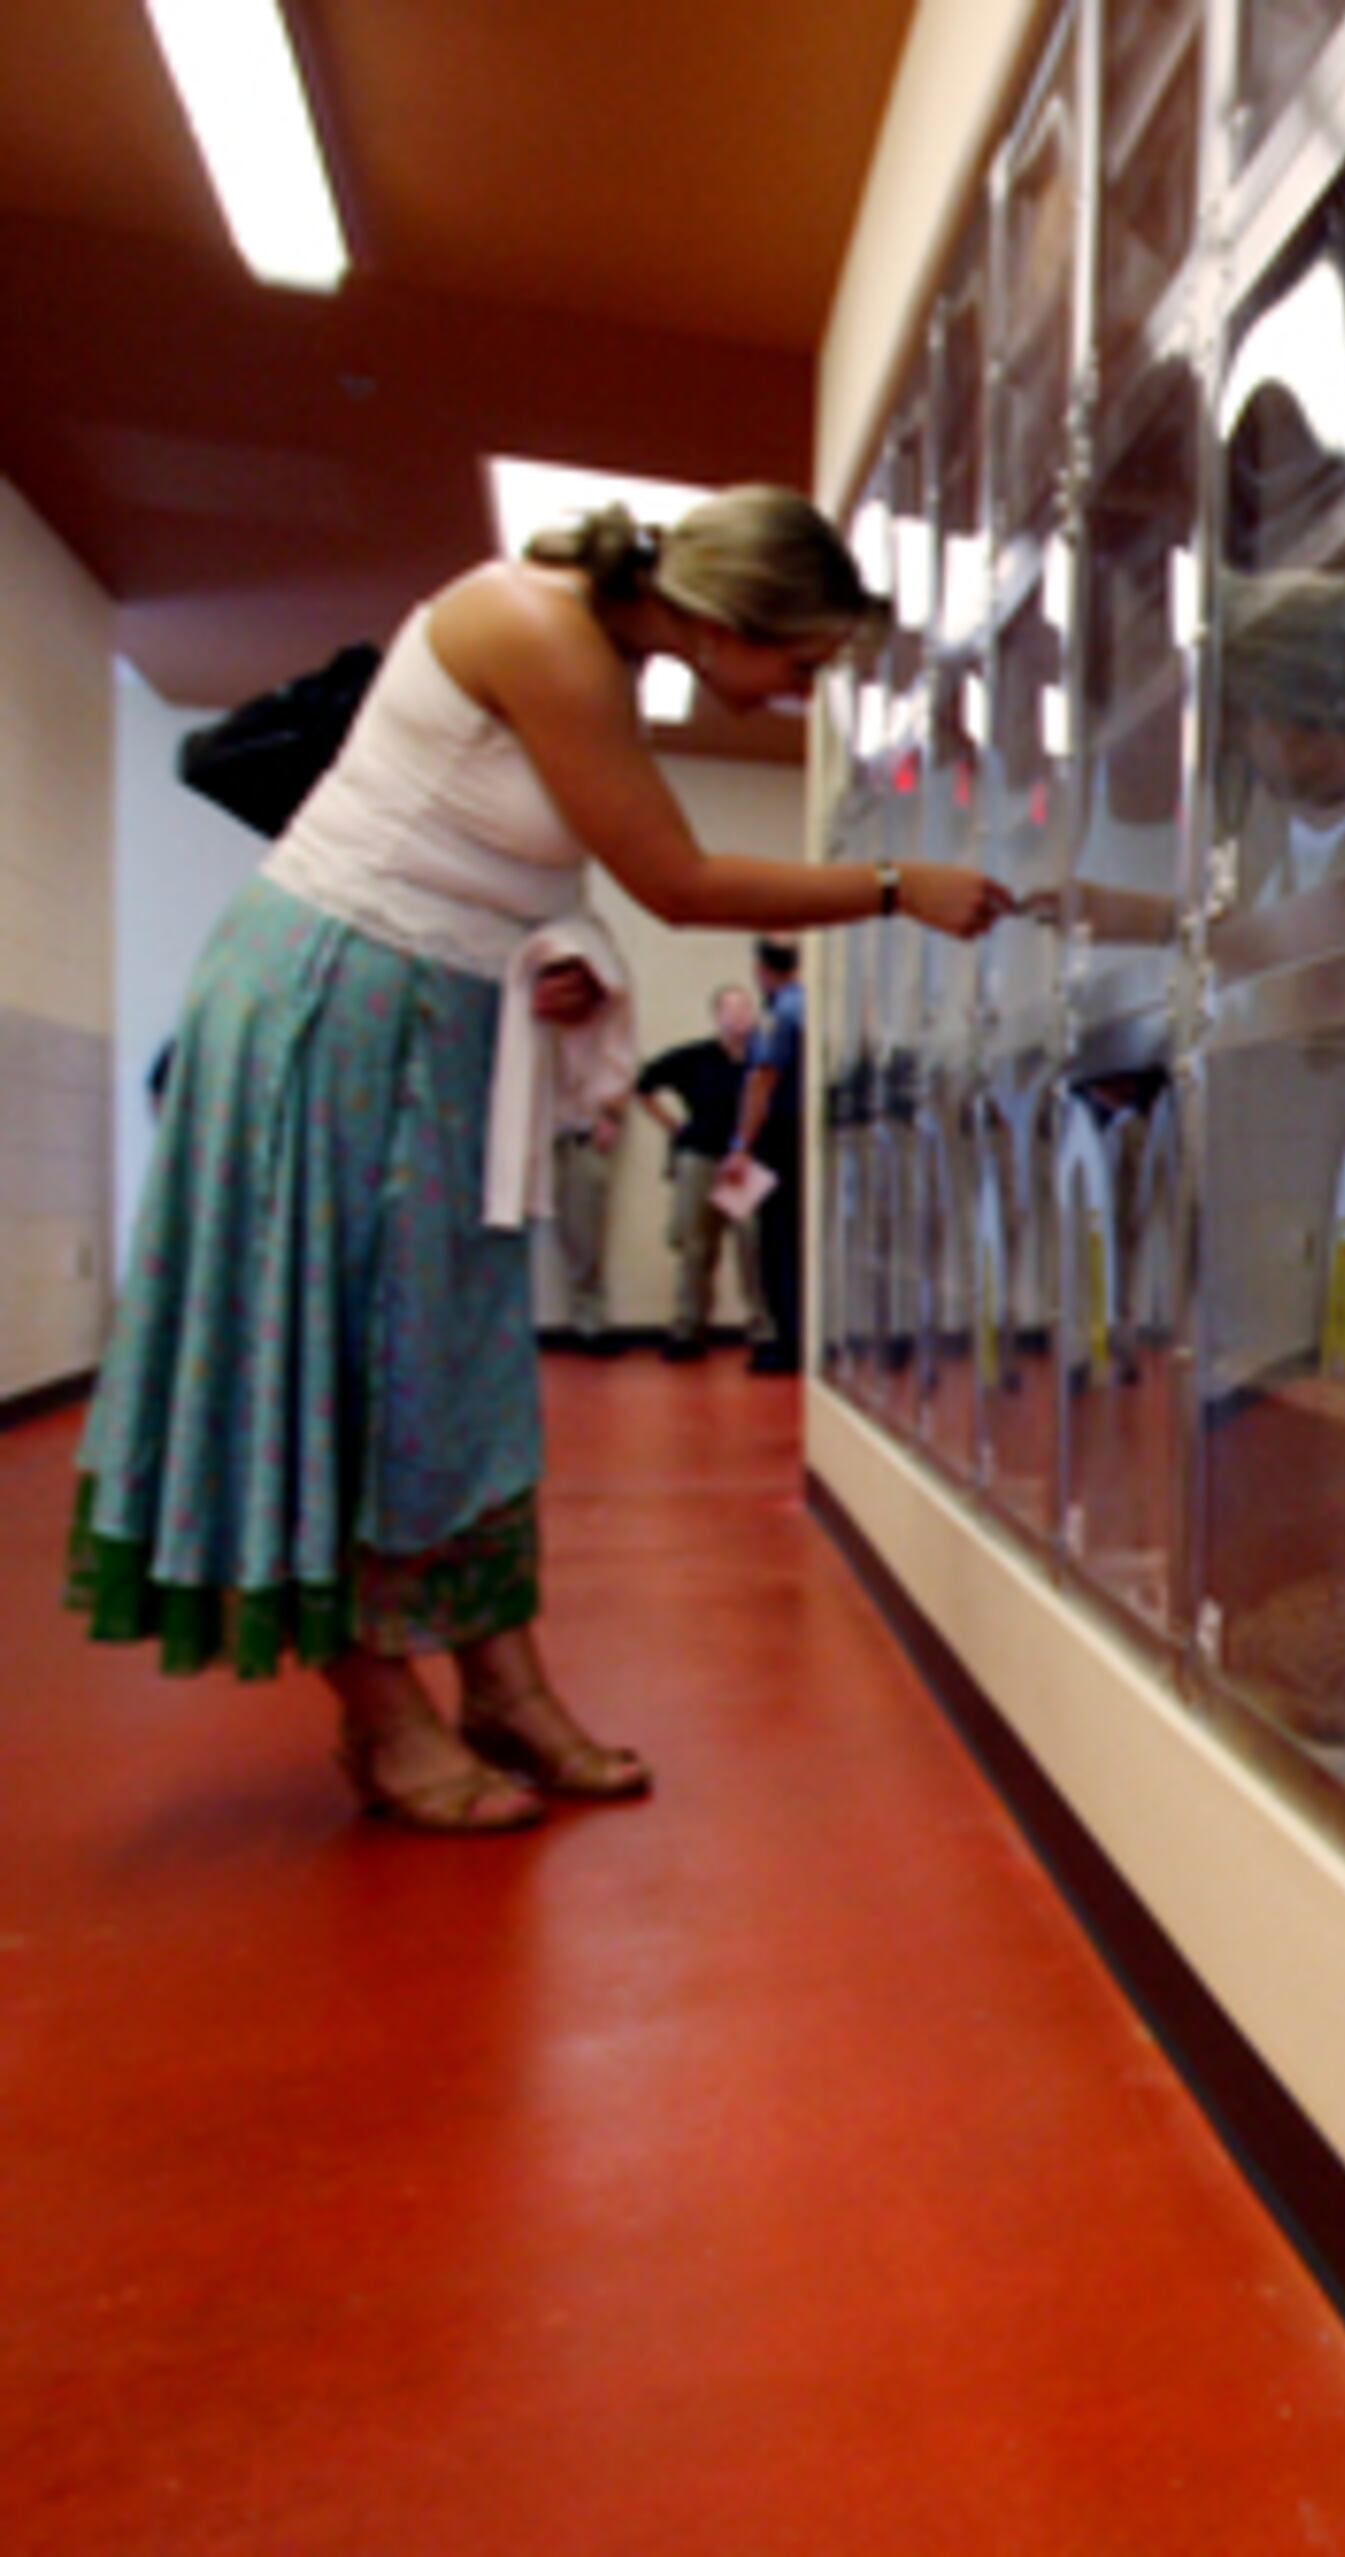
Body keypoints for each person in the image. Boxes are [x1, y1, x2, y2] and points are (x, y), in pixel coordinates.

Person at [67, 486, 1013, 1833]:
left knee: (447, 1361)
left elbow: (525, 869)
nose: (800, 695)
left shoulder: (606, 657)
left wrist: (562, 963)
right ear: (727, 617)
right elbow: (674, 878)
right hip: (334, 1003)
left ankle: (504, 1680)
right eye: (799, 664)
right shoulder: (537, 625)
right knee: (338, 1352)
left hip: (441, 1017)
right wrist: (892, 889)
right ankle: (380, 1711)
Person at [635, 984, 768, 1359]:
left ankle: (762, 1330)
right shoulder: (695, 1057)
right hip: (700, 1158)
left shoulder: (763, 1060)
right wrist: (671, 1125)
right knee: (696, 1247)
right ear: (716, 1016)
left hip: (743, 1163)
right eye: (730, 1010)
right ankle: (689, 1328)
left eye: (744, 1010)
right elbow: (644, 1084)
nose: (738, 1017)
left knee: (751, 1247)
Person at [725, 937, 808, 1374]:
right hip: (809, 1138)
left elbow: (762, 1082)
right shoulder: (813, 1006)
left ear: (761, 969)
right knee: (803, 1241)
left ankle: (788, 1343)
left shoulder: (778, 1016)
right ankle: (803, 1338)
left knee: (778, 1244)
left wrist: (742, 1146)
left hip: (781, 1135)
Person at [552, 1093, 627, 1350]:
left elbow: (623, 1075)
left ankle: (590, 1323)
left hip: (577, 1138)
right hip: (534, 1137)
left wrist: (612, 1118)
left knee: (584, 1235)